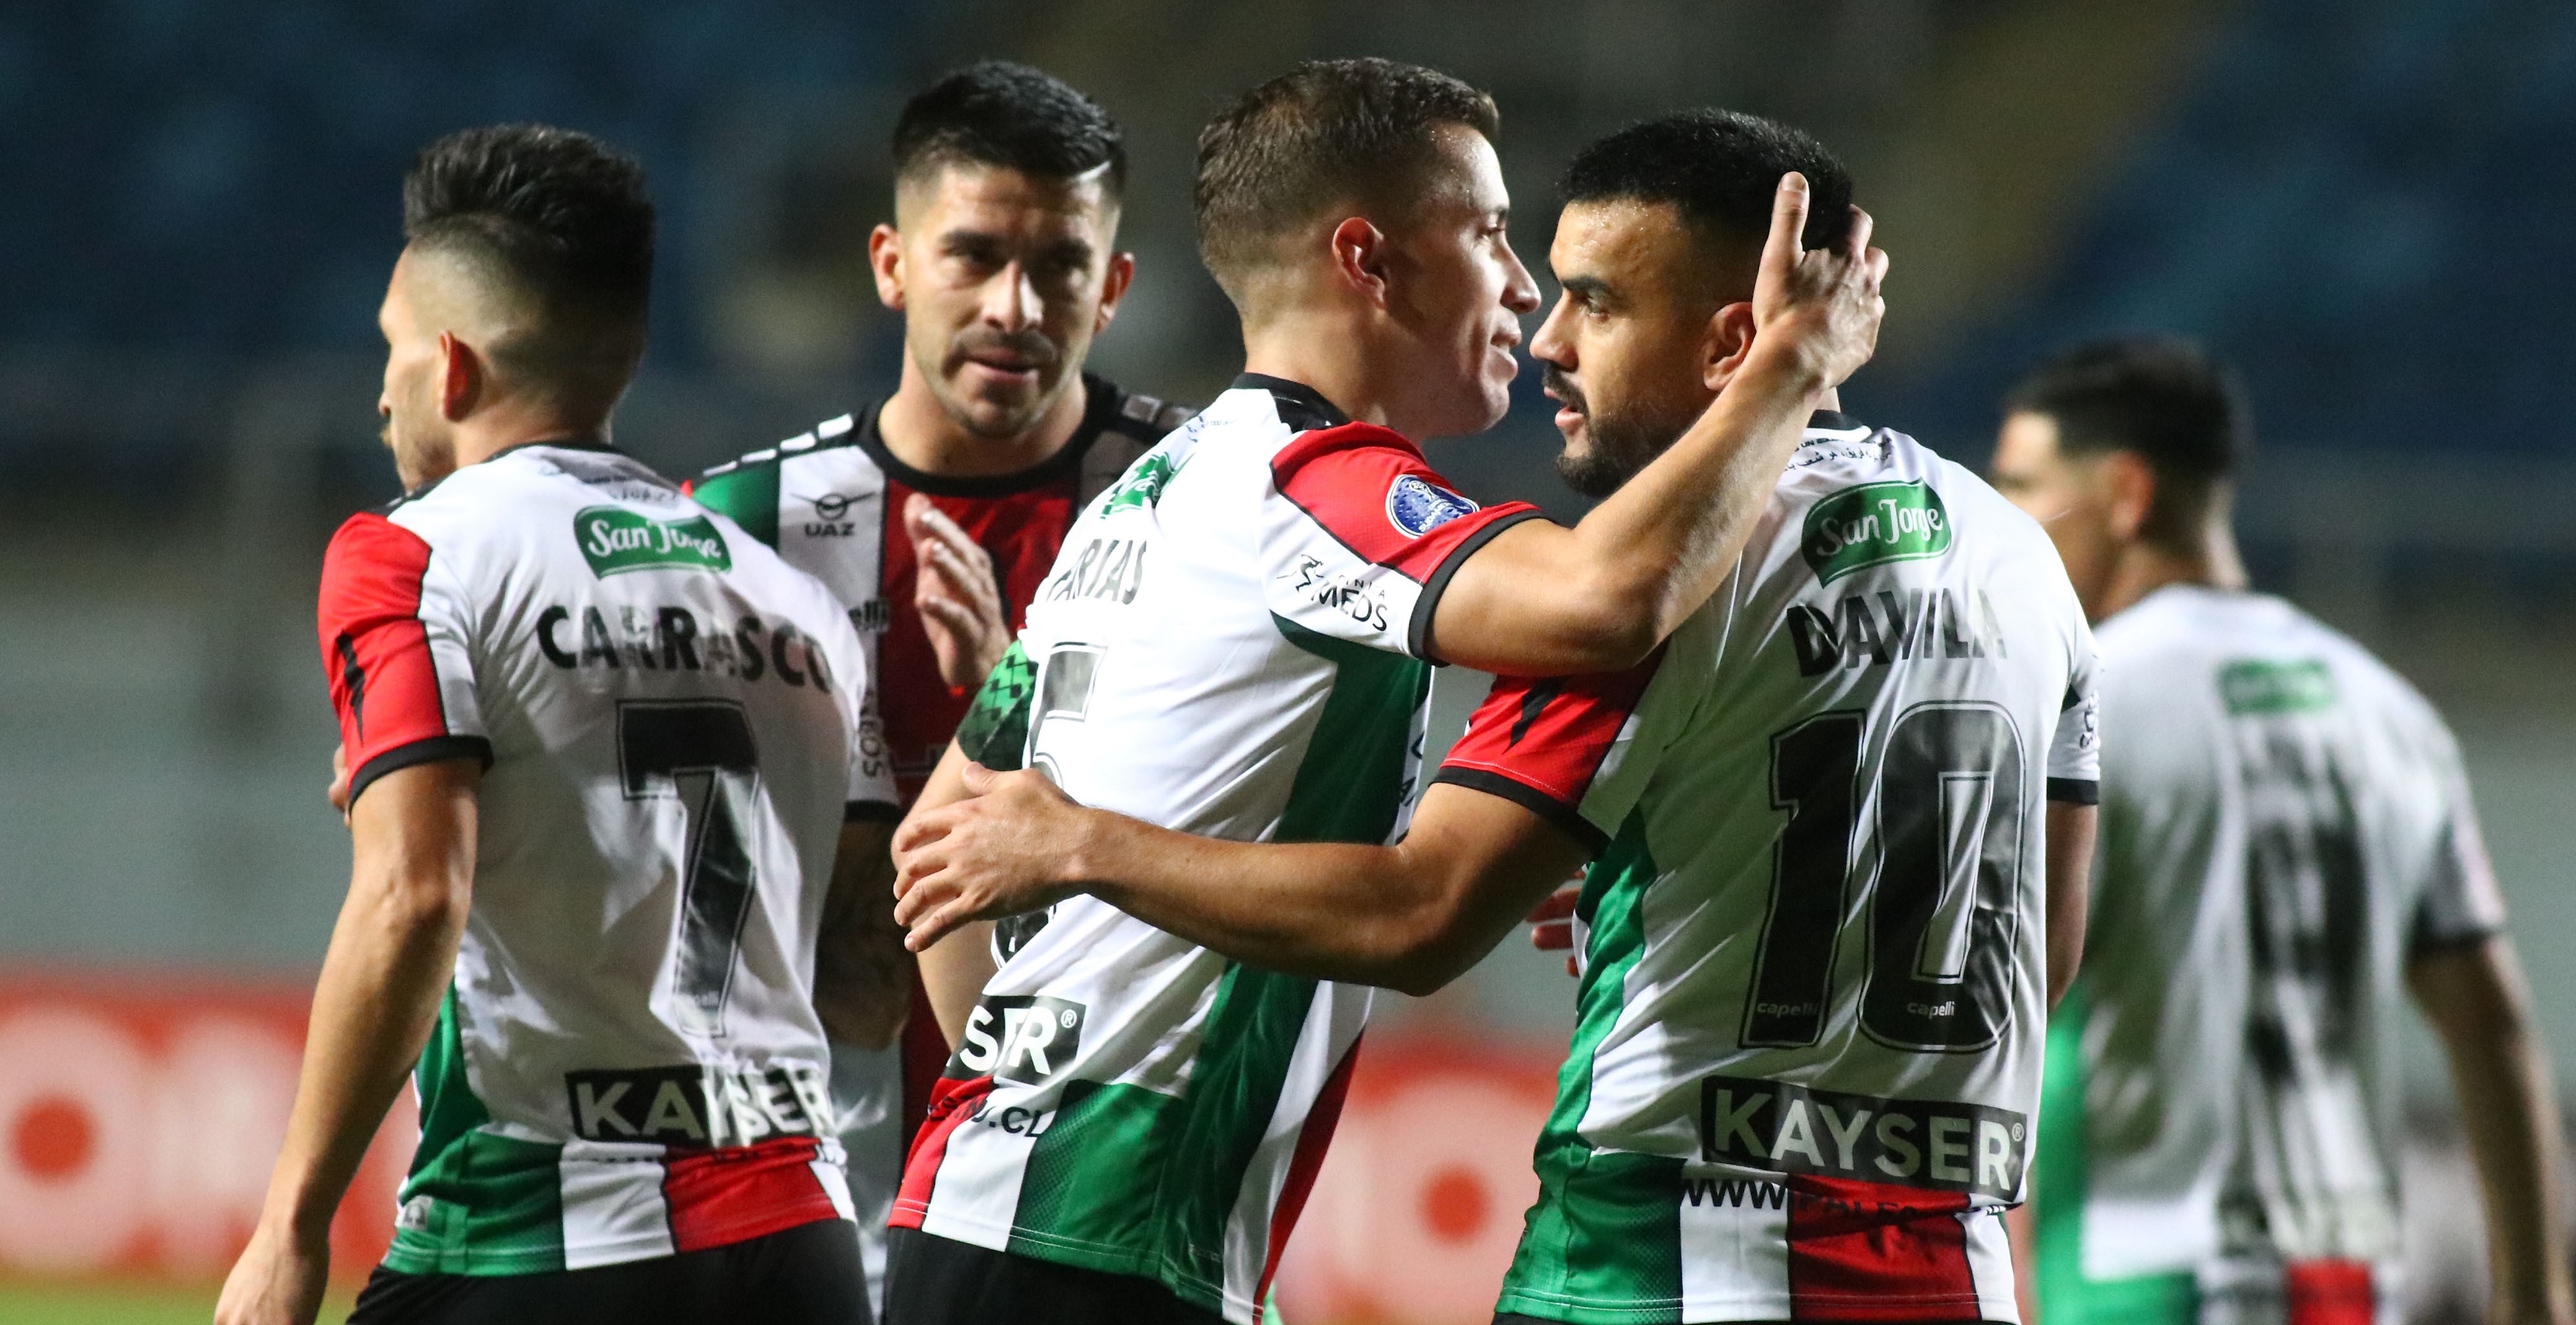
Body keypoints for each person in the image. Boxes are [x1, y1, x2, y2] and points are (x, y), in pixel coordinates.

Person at [893, 109, 2101, 1324]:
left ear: (1738, 337)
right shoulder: (2025, 560)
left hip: (1647, 1270)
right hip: (1956, 1272)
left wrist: (1044, 964)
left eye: (1596, 300)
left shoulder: (1657, 575)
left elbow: (1424, 905)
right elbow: (2033, 953)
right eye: (1512, 252)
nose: (1548, 330)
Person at [216, 124, 902, 1325]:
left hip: (541, 1237)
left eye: (392, 354)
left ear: (454, 368)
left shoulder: (411, 556)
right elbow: (865, 980)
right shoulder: (795, 600)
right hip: (799, 1244)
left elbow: (413, 897)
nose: (380, 393)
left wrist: (290, 1224)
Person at [687, 61, 1188, 1315]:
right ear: (890, 264)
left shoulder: (1203, 498)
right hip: (815, 1191)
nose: (1017, 305)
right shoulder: (746, 528)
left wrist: (1025, 701)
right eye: (971, 255)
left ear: (1115, 285)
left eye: (1063, 266)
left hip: (1106, 1188)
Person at [1984, 339, 2573, 1325]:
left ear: (2127, 494)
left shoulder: (2073, 707)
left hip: (2134, 1276)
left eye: (2024, 490)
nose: (2004, 530)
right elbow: (2492, 1024)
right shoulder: (2388, 711)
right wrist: (2534, 1292)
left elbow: (2003, 1022)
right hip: (2345, 1282)